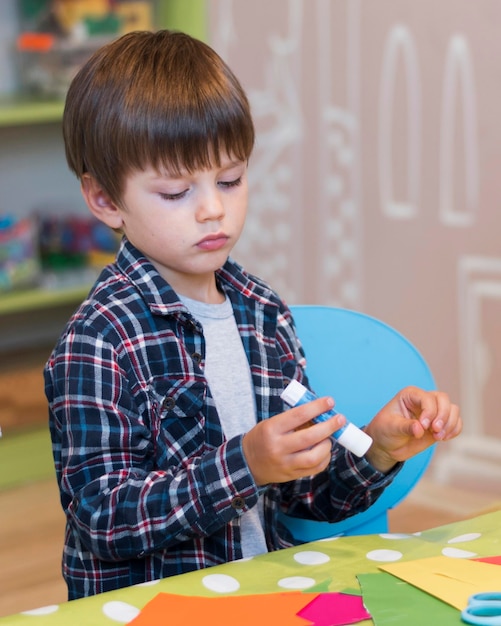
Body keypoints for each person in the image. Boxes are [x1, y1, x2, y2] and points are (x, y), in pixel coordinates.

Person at [44, 29, 462, 600]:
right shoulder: (98, 340)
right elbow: (103, 519)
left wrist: (380, 448)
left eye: (230, 179)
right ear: (105, 200)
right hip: (155, 608)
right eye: (175, 193)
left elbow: (306, 499)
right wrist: (244, 465)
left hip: (264, 594)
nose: (213, 208)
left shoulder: (262, 314)